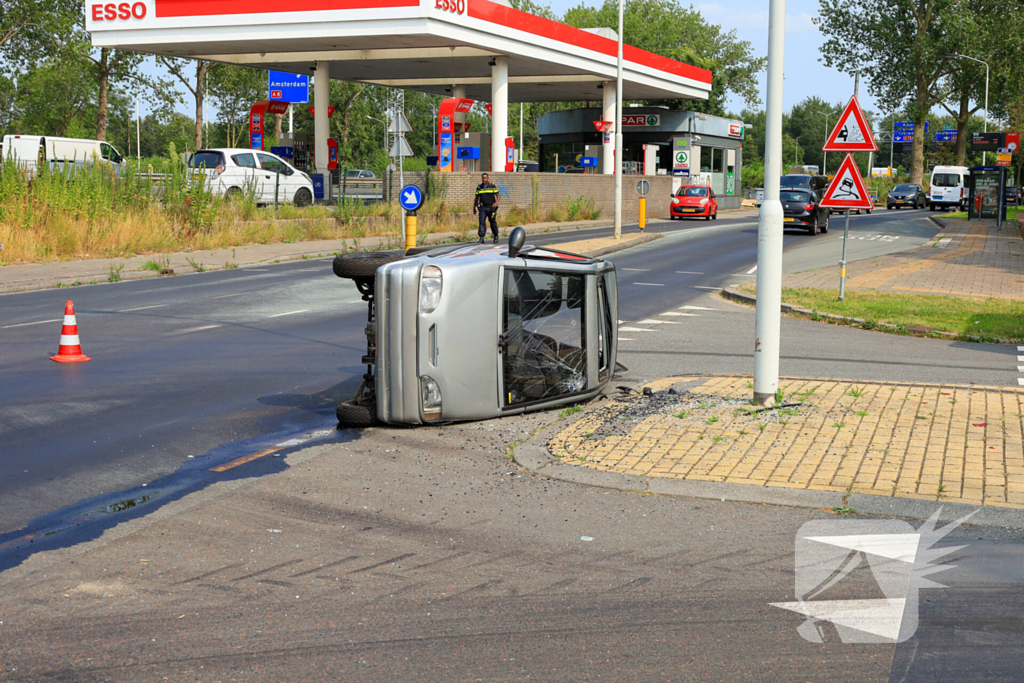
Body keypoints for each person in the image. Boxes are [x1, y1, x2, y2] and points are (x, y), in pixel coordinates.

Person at [473, 173, 500, 244]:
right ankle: (481, 238)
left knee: (492, 221)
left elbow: (498, 195)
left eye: (485, 178)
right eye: (483, 178)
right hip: (483, 208)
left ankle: (496, 235)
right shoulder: (479, 187)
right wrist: (474, 207)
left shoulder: (492, 186)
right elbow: (476, 198)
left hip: (491, 207)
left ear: (488, 178)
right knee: (481, 222)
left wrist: (496, 202)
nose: (484, 179)